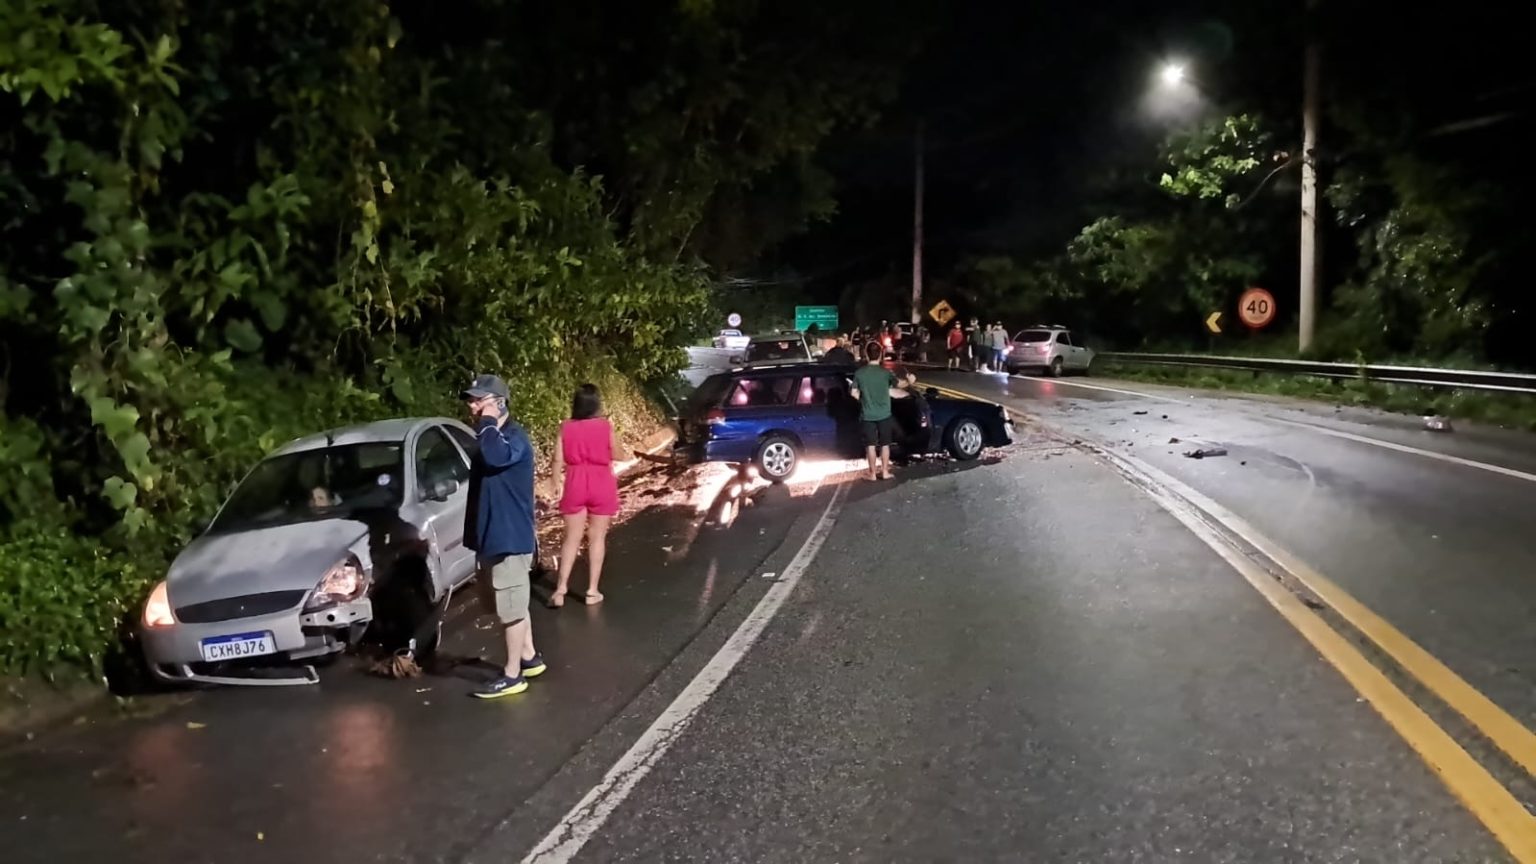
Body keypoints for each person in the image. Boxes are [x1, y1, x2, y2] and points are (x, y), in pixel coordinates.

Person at [462, 373, 547, 699]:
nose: (472, 406)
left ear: (498, 403)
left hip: (510, 538)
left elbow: (497, 457)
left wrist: (487, 422)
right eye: (471, 400)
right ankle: (529, 657)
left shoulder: (512, 437)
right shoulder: (491, 436)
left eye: (479, 400)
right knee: (504, 603)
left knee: (511, 607)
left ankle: (513, 675)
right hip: (492, 537)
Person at [550, 384, 622, 608]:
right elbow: (618, 453)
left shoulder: (566, 427)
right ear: (596, 404)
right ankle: (592, 591)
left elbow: (557, 460)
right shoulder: (605, 426)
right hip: (601, 482)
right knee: (597, 538)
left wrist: (554, 481)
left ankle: (560, 589)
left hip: (575, 482)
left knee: (571, 538)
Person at [850, 343, 914, 481]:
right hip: (885, 414)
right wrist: (910, 381)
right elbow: (899, 384)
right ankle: (885, 472)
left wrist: (863, 398)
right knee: (885, 444)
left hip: (867, 414)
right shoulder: (885, 373)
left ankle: (872, 474)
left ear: (866, 355)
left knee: (870, 445)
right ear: (880, 355)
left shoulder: (860, 373)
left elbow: (853, 392)